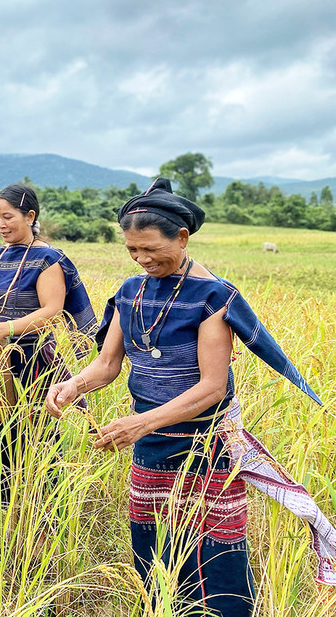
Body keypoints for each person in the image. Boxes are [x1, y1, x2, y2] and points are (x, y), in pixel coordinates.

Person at [45, 178, 336, 616]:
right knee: (153, 540)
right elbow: (107, 365)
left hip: (206, 442)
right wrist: (72, 386)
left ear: (182, 237)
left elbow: (212, 388)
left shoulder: (212, 297)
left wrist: (140, 422)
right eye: (132, 250)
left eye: (151, 249)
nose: (142, 260)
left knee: (213, 550)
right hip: (152, 445)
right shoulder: (131, 291)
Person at [0, 183, 96, 505]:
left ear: (30, 216)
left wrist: (6, 328)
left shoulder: (46, 258)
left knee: (39, 431)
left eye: (8, 217)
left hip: (34, 356)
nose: (0, 224)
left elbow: (51, 310)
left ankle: (45, 503)